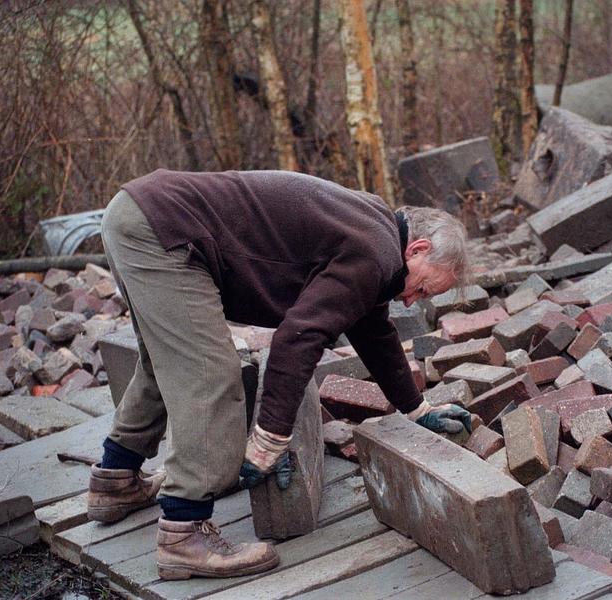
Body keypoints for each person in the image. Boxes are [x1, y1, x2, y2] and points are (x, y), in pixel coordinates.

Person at [85, 169, 473, 580]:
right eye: (423, 289)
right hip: (165, 231)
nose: (412, 303)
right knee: (210, 372)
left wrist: (417, 409)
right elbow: (297, 338)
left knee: (168, 357)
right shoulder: (375, 252)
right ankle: (184, 533)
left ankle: (116, 479)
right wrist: (270, 438)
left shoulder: (376, 232)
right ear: (417, 248)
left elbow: (373, 330)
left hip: (142, 213)